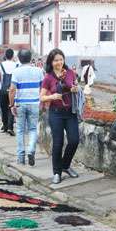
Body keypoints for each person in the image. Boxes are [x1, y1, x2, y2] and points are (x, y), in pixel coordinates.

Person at [41, 48, 80, 184]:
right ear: (51, 62)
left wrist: (75, 88)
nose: (59, 62)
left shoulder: (70, 73)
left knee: (74, 140)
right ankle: (57, 172)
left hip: (70, 113)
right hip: (56, 113)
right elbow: (41, 97)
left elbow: (74, 86)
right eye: (56, 60)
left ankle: (65, 165)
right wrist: (52, 96)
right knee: (58, 143)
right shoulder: (48, 77)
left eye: (61, 59)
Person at [9, 50, 43, 166]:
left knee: (20, 130)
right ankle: (31, 150)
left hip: (20, 104)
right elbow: (42, 89)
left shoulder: (16, 72)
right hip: (34, 103)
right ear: (30, 58)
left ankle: (21, 158)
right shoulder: (39, 71)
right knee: (33, 129)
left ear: (19, 58)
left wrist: (11, 105)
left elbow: (12, 90)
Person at [0, 49, 18, 136]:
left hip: (2, 89)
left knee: (3, 108)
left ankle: (5, 126)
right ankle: (10, 127)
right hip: (13, 89)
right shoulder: (16, 65)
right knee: (11, 107)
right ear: (12, 56)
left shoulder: (1, 65)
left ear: (5, 56)